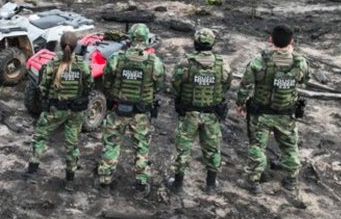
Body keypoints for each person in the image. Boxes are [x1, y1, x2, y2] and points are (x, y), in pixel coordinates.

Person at [236, 24, 311, 195]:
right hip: (286, 113)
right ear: (292, 41)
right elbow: (306, 79)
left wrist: (240, 103)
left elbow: (246, 84)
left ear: (270, 39)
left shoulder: (259, 60)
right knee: (289, 146)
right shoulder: (300, 62)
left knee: (257, 146)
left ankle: (253, 181)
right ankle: (291, 180)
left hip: (261, 114)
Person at [97, 23, 165, 198]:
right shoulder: (154, 62)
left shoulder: (116, 58)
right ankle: (141, 185)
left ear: (130, 38)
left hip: (119, 110)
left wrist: (116, 93)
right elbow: (159, 85)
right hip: (141, 113)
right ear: (146, 39)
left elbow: (107, 80)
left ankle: (105, 183)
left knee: (111, 145)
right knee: (141, 148)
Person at [24, 31, 94, 191]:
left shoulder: (53, 64)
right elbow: (89, 86)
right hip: (76, 111)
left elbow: (42, 87)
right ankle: (70, 180)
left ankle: (32, 172)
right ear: (76, 47)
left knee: (40, 137)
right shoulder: (82, 65)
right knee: (72, 144)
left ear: (61, 46)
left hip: (55, 109)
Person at [167, 28, 232, 194]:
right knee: (212, 149)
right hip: (212, 114)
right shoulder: (222, 65)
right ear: (212, 44)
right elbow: (226, 86)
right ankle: (211, 185)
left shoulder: (185, 64)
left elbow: (175, 85)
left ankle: (178, 185)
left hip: (189, 113)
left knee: (183, 148)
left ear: (195, 44)